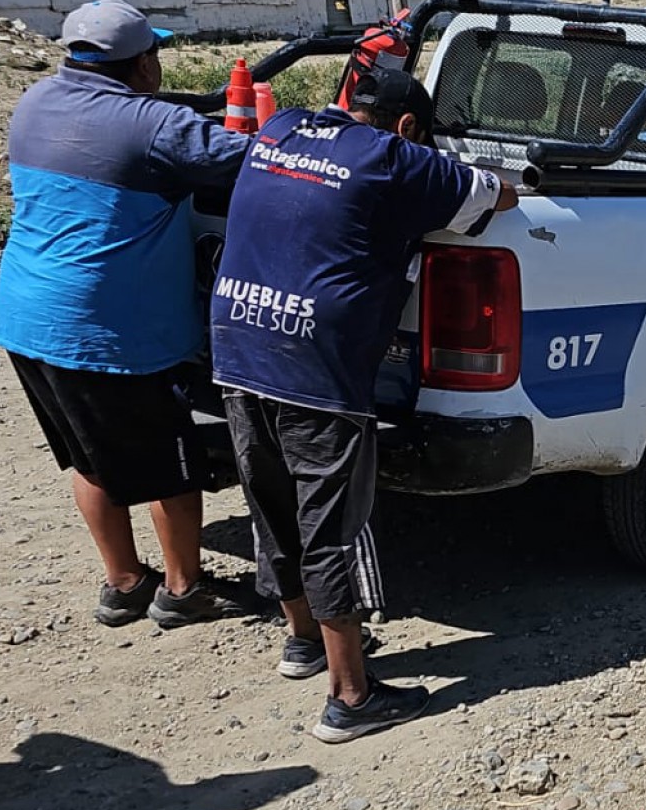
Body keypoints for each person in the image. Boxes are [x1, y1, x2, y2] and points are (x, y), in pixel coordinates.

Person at [211, 66, 515, 744]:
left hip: (237, 344)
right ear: (409, 127)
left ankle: (302, 642)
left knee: (272, 501)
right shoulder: (397, 158)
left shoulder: (282, 128)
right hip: (316, 366)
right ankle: (351, 696)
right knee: (333, 529)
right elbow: (499, 197)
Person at [0, 0, 251, 629]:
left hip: (26, 317)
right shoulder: (154, 125)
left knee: (89, 456)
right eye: (154, 53)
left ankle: (124, 581)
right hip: (107, 330)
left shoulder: (35, 103)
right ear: (142, 64)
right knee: (169, 464)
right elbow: (255, 164)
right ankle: (184, 591)